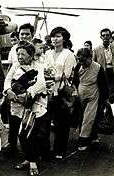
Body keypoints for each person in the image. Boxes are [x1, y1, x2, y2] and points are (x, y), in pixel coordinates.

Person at [4, 41, 49, 176]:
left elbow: (41, 83)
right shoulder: (15, 66)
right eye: (18, 54)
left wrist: (28, 94)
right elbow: (7, 81)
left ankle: (33, 162)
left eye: (23, 54)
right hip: (18, 105)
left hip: (34, 105)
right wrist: (8, 91)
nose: (20, 56)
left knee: (30, 134)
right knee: (22, 135)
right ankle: (29, 159)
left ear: (31, 54)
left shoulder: (40, 66)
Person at [44, 27, 76, 159]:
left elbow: (67, 75)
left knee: (61, 122)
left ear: (64, 38)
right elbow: (43, 69)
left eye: (57, 36)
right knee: (46, 121)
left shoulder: (68, 54)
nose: (54, 39)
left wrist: (52, 77)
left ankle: (60, 150)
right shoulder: (47, 53)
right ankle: (46, 150)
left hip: (61, 91)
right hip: (47, 91)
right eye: (53, 36)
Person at [4, 23, 35, 155]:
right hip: (15, 98)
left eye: (27, 34)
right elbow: (8, 78)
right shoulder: (16, 59)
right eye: (22, 34)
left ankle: (30, 153)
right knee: (14, 121)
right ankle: (12, 145)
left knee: (29, 126)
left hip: (30, 98)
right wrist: (7, 91)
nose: (24, 36)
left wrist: (28, 94)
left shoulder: (38, 57)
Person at [73, 48, 109, 150]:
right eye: (80, 60)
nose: (82, 63)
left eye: (84, 60)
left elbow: (104, 85)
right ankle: (93, 136)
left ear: (90, 58)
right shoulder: (79, 66)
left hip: (93, 95)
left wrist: (104, 99)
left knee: (88, 118)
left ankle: (83, 141)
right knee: (82, 117)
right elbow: (75, 80)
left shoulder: (98, 68)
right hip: (80, 96)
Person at [93, 28, 114, 104]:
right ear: (101, 37)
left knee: (113, 91)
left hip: (113, 72)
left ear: (110, 36)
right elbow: (93, 63)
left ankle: (112, 108)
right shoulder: (96, 50)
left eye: (107, 35)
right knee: (103, 91)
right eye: (103, 35)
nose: (105, 37)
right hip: (102, 72)